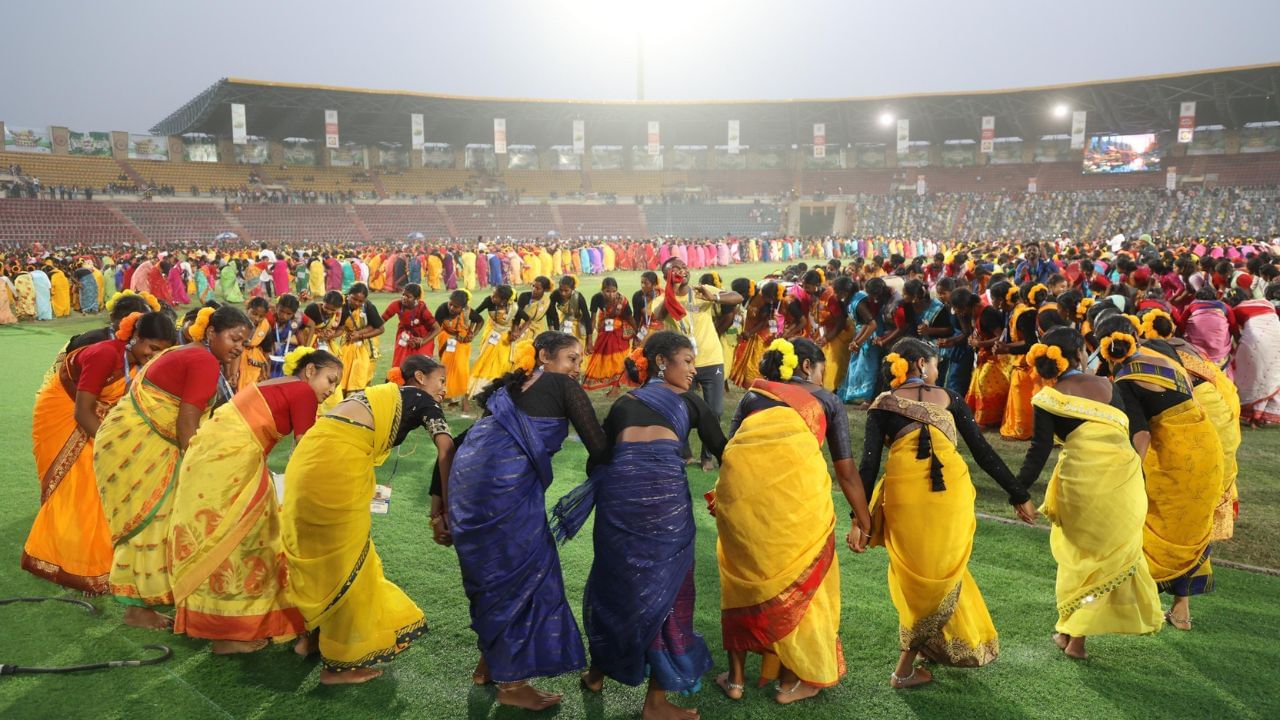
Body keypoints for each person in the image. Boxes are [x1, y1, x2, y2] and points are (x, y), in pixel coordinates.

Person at [551, 331, 725, 720]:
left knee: (618, 585)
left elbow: (598, 461)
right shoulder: (690, 402)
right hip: (664, 502)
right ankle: (656, 703)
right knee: (670, 589)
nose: (694, 370)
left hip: (618, 502)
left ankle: (596, 674)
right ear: (662, 361)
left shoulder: (623, 403)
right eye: (687, 360)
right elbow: (724, 449)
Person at [446, 332, 607, 711]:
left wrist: (439, 505)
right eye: (570, 358)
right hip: (505, 499)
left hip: (468, 496)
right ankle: (513, 685)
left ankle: (489, 664)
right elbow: (598, 447)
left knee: (494, 579)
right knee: (527, 579)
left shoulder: (504, 394)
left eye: (579, 359)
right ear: (545, 357)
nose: (576, 367)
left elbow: (460, 441)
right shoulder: (560, 385)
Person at [859, 338, 1033, 688]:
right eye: (935, 364)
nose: (937, 371)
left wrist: (858, 521)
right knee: (944, 571)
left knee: (917, 578)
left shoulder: (882, 405)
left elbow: (868, 467)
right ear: (921, 364)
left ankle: (917, 657)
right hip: (949, 497)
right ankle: (904, 669)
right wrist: (1018, 494)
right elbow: (983, 453)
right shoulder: (950, 399)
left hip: (905, 499)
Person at [713, 338, 872, 703]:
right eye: (821, 369)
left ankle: (735, 680)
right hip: (798, 503)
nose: (822, 376)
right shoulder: (827, 401)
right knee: (805, 586)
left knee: (742, 580)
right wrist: (863, 520)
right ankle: (790, 681)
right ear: (806, 367)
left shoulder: (755, 395)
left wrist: (724, 496)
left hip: (742, 499)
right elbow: (846, 471)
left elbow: (730, 451)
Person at [281, 355, 451, 684]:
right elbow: (445, 448)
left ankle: (310, 639)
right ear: (420, 377)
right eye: (441, 381)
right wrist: (444, 507)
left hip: (308, 459)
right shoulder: (420, 398)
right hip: (338, 465)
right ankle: (339, 665)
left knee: (320, 554)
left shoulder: (379, 394)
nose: (445, 389)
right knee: (348, 561)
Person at [170, 348, 342, 655]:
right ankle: (231, 631)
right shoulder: (302, 391)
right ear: (310, 370)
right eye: (330, 379)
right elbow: (304, 453)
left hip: (212, 457)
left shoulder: (277, 382)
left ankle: (226, 626)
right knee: (249, 539)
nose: (331, 390)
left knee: (231, 539)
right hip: (232, 463)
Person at [94, 305, 252, 630]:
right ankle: (138, 609)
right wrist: (198, 470)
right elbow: (187, 422)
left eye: (243, 343)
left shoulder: (192, 352)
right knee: (151, 520)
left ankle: (145, 601)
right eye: (234, 338)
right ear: (211, 333)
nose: (238, 347)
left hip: (135, 437)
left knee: (156, 520)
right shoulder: (203, 360)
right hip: (142, 444)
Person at [1013, 328, 1163, 660]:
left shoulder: (1048, 399)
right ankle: (1070, 633)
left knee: (1080, 560)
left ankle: (1074, 637)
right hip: (1123, 485)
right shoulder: (1108, 385)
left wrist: (1019, 493)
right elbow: (1128, 433)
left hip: (1079, 487)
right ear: (1080, 352)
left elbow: (1038, 453)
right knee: (1107, 562)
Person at [23, 312, 176, 593]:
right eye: (151, 348)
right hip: (64, 409)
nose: (154, 356)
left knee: (94, 487)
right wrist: (112, 447)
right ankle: (62, 558)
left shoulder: (137, 363)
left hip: (94, 415)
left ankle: (91, 558)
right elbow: (82, 412)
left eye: (162, 352)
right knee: (77, 483)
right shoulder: (106, 355)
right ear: (136, 338)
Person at [1095, 315, 1222, 631]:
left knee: (1150, 529)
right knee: (1190, 529)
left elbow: (1142, 437)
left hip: (1174, 462)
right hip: (1207, 450)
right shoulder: (1163, 359)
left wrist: (1129, 477)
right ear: (1136, 336)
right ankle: (1181, 611)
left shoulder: (1124, 381)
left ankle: (1132, 606)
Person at [651, 257, 743, 470]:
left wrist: (715, 297)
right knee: (679, 409)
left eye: (684, 267)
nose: (682, 271)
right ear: (666, 276)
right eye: (675, 270)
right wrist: (671, 291)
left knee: (715, 411)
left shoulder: (701, 290)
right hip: (681, 364)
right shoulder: (662, 299)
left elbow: (737, 297)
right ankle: (684, 453)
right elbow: (659, 315)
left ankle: (707, 456)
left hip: (711, 359)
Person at [1227, 289, 1280, 427]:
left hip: (1255, 341)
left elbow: (1236, 334)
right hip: (1277, 340)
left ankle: (1253, 415)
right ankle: (1262, 416)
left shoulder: (1235, 310)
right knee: (1269, 376)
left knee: (1251, 377)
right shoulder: (1265, 302)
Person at [434, 289, 483, 414]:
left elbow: (480, 320)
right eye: (450, 304)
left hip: (462, 343)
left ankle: (461, 398)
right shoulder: (442, 309)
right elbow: (435, 328)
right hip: (446, 340)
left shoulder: (468, 311)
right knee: (446, 369)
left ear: (463, 307)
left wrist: (473, 334)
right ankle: (445, 397)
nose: (451, 307)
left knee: (461, 370)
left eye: (455, 307)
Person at [582, 277, 633, 394]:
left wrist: (637, 334)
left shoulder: (622, 300)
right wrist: (589, 341)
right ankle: (607, 377)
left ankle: (616, 384)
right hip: (604, 325)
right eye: (608, 291)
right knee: (602, 352)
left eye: (614, 291)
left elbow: (629, 317)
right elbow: (593, 319)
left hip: (619, 327)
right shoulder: (596, 298)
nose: (611, 294)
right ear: (602, 290)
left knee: (618, 356)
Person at [728, 280, 780, 389]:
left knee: (755, 362)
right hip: (751, 332)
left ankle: (757, 385)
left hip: (762, 336)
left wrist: (750, 332)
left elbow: (765, 321)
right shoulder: (754, 296)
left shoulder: (766, 303)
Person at [468, 285, 517, 397]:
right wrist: (471, 330)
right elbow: (475, 314)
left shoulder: (513, 306)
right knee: (485, 360)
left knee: (503, 363)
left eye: (495, 296)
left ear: (504, 300)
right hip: (492, 334)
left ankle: (499, 389)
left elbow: (520, 319)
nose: (492, 297)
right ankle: (479, 390)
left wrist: (516, 331)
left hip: (506, 338)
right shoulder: (489, 301)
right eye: (493, 294)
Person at [335, 283, 384, 397]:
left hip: (366, 347)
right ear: (348, 295)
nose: (357, 303)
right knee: (344, 374)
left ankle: (358, 402)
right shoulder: (340, 304)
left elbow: (380, 329)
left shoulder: (368, 306)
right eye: (354, 299)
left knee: (361, 375)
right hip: (347, 344)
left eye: (360, 301)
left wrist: (360, 335)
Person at [381, 283, 439, 368]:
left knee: (421, 366)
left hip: (423, 337)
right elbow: (381, 320)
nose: (404, 298)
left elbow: (437, 328)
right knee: (400, 364)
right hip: (405, 337)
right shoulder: (397, 305)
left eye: (408, 297)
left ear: (417, 299)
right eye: (403, 295)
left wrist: (422, 341)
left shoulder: (422, 310)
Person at [238, 297, 273, 391]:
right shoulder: (237, 322)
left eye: (261, 316)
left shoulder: (266, 327)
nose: (257, 318)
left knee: (252, 389)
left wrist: (266, 370)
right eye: (254, 314)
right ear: (247, 309)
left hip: (254, 363)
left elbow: (267, 350)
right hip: (237, 359)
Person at [548, 275, 592, 348]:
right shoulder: (555, 294)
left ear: (573, 289)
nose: (563, 293)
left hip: (577, 322)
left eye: (566, 291)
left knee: (576, 346)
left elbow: (587, 317)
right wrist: (553, 331)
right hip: (562, 320)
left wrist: (589, 340)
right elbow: (550, 313)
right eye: (561, 290)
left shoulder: (579, 297)